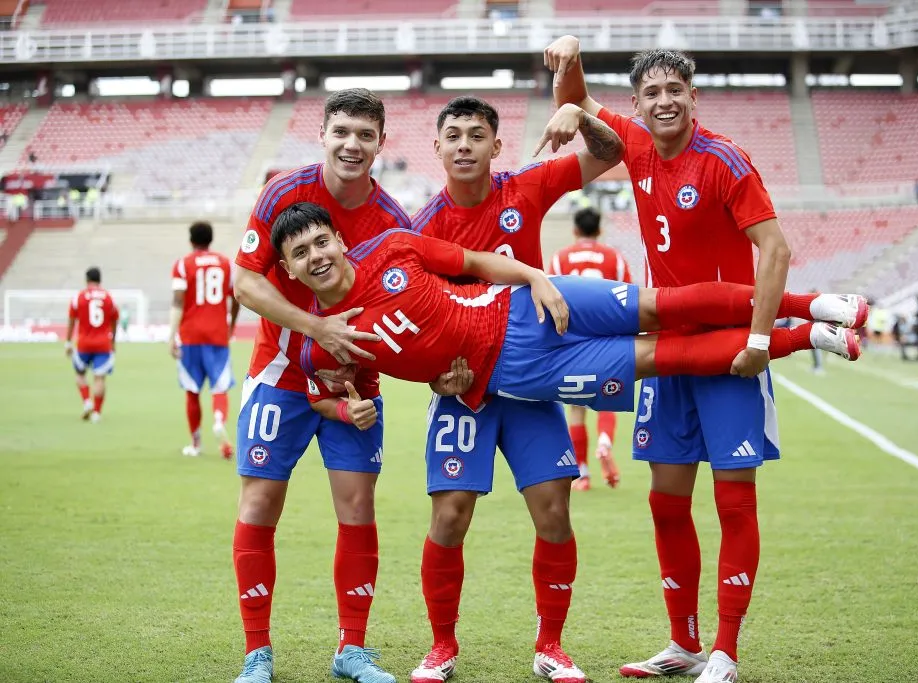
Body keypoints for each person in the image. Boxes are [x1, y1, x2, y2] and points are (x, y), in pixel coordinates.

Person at [546, 37, 800, 682]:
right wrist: (571, 71)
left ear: (693, 96)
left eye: (674, 91)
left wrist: (760, 340)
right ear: (638, 103)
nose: (664, 102)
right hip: (665, 356)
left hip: (729, 354)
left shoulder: (724, 160)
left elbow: (775, 250)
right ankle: (683, 644)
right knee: (665, 502)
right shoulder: (633, 144)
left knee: (734, 503)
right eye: (651, 94)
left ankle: (726, 650)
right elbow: (574, 96)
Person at [407, 95, 625, 683]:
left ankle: (551, 645)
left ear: (496, 146)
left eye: (476, 135)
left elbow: (613, 151)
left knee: (554, 510)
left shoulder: (524, 187)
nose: (463, 146)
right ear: (436, 147)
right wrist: (433, 374)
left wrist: (580, 114)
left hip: (532, 382)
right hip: (464, 391)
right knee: (450, 517)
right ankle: (441, 646)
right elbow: (415, 323)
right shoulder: (423, 228)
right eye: (452, 135)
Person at [272, 204, 863, 413]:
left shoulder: (393, 247)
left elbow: (476, 263)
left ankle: (815, 302)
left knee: (666, 306)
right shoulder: (321, 338)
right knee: (664, 357)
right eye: (301, 254)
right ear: (292, 272)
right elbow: (346, 392)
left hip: (526, 303)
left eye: (321, 241)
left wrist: (535, 275)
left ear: (339, 241)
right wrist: (436, 386)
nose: (316, 256)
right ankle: (810, 339)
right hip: (515, 371)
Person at [229, 89, 422, 683]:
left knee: (358, 507)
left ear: (381, 143)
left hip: (355, 386)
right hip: (279, 376)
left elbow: (407, 310)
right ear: (323, 134)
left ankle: (352, 650)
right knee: (260, 504)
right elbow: (243, 281)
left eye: (365, 134)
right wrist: (315, 328)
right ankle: (257, 654)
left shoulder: (393, 221)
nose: (352, 144)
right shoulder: (284, 192)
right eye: (341, 131)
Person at [548, 207, 632, 490]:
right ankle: (605, 442)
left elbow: (550, 300)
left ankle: (581, 473)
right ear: (599, 230)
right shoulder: (615, 259)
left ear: (574, 230)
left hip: (573, 342)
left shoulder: (560, 260)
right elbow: (629, 298)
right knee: (608, 398)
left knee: (576, 408)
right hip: (608, 339)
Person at [169, 221, 241, 458]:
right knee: (219, 387)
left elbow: (178, 301)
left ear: (191, 240)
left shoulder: (182, 265)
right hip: (217, 333)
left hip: (190, 335)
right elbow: (237, 296)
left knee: (192, 390)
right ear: (211, 239)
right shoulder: (225, 264)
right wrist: (230, 324)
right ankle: (219, 419)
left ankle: (196, 443)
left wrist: (171, 335)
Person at [66, 267, 118, 423]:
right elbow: (115, 319)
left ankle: (87, 402)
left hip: (84, 343)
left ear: (86, 280)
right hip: (103, 343)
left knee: (80, 374)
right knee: (99, 378)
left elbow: (71, 320)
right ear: (100, 280)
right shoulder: (108, 298)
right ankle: (96, 412)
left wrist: (68, 341)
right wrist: (113, 339)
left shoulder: (79, 297)